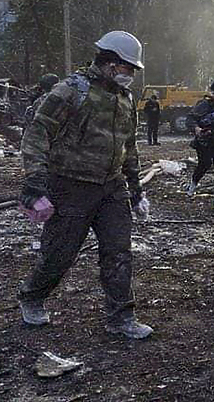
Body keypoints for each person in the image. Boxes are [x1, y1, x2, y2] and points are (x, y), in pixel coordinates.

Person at [17, 31, 152, 339]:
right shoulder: (70, 91)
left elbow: (129, 147)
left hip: (111, 187)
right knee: (59, 254)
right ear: (110, 63)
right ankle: (32, 296)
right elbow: (37, 135)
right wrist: (35, 181)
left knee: (118, 252)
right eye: (128, 68)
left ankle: (121, 317)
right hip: (70, 186)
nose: (130, 74)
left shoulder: (125, 98)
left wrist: (135, 188)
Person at [188, 78, 214, 206]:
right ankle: (193, 184)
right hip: (203, 141)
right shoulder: (204, 105)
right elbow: (190, 118)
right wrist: (197, 129)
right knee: (205, 163)